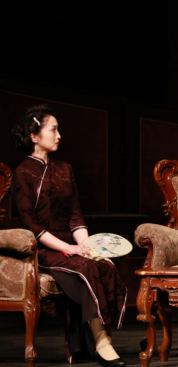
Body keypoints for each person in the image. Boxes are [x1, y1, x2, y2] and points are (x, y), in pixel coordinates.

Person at [11, 105, 127, 367]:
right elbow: (32, 226)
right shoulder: (23, 173)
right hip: (44, 248)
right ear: (34, 136)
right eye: (54, 130)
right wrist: (70, 249)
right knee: (86, 267)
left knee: (103, 263)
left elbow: (76, 217)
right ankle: (102, 343)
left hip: (70, 244)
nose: (59, 135)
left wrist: (87, 245)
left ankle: (104, 337)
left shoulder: (65, 169)